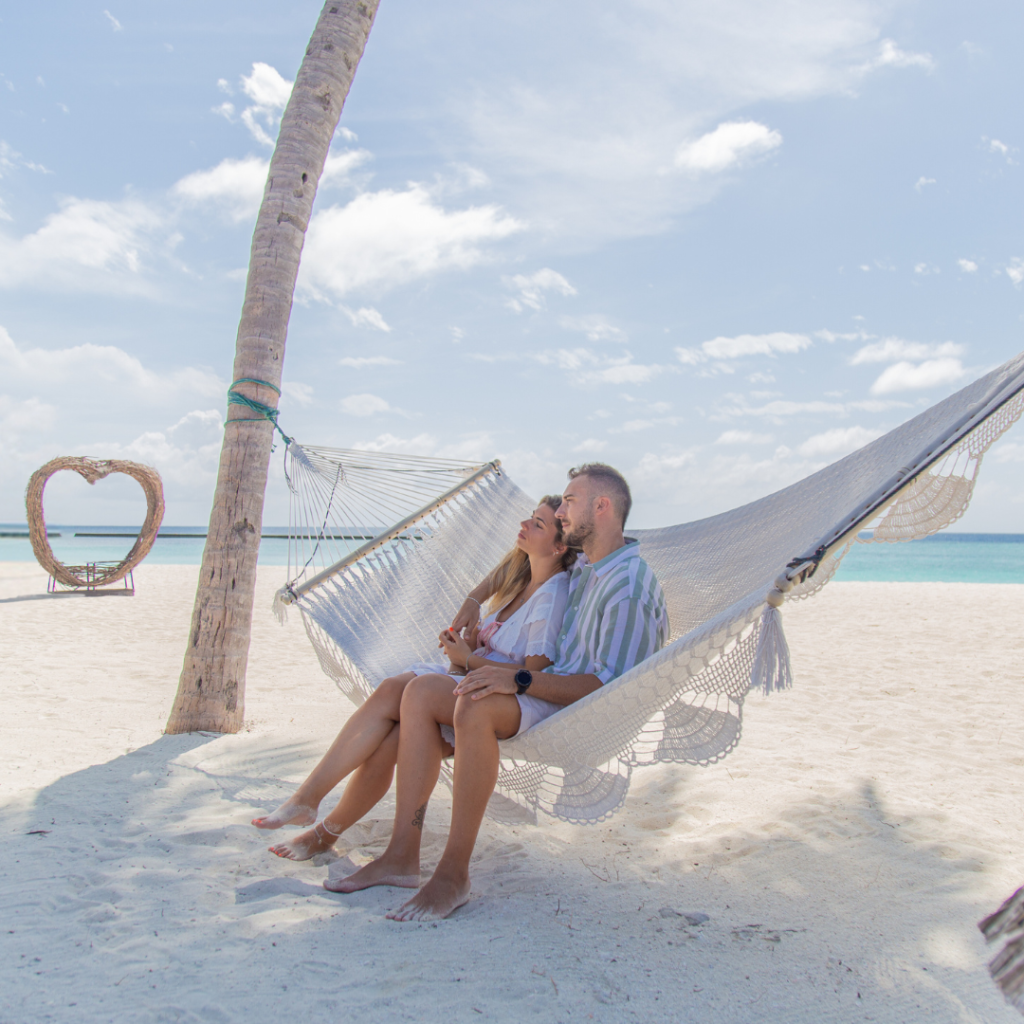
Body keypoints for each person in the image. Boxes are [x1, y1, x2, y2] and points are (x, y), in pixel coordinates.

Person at [331, 463, 669, 922]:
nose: (561, 511)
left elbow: (609, 689)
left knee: (471, 702)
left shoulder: (627, 587)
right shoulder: (593, 563)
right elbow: (523, 560)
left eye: (569, 502)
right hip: (544, 688)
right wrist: (474, 599)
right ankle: (400, 855)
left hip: (577, 708)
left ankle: (453, 875)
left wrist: (518, 678)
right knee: (419, 696)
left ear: (602, 507)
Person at [251, 495, 576, 862]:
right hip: (470, 677)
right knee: (391, 720)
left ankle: (311, 807)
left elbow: (532, 675)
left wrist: (467, 659)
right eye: (530, 517)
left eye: (538, 524)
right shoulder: (524, 579)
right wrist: (468, 638)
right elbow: (499, 584)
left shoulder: (551, 597)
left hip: (495, 699)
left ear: (559, 545)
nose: (524, 525)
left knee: (397, 703)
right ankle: (318, 821)